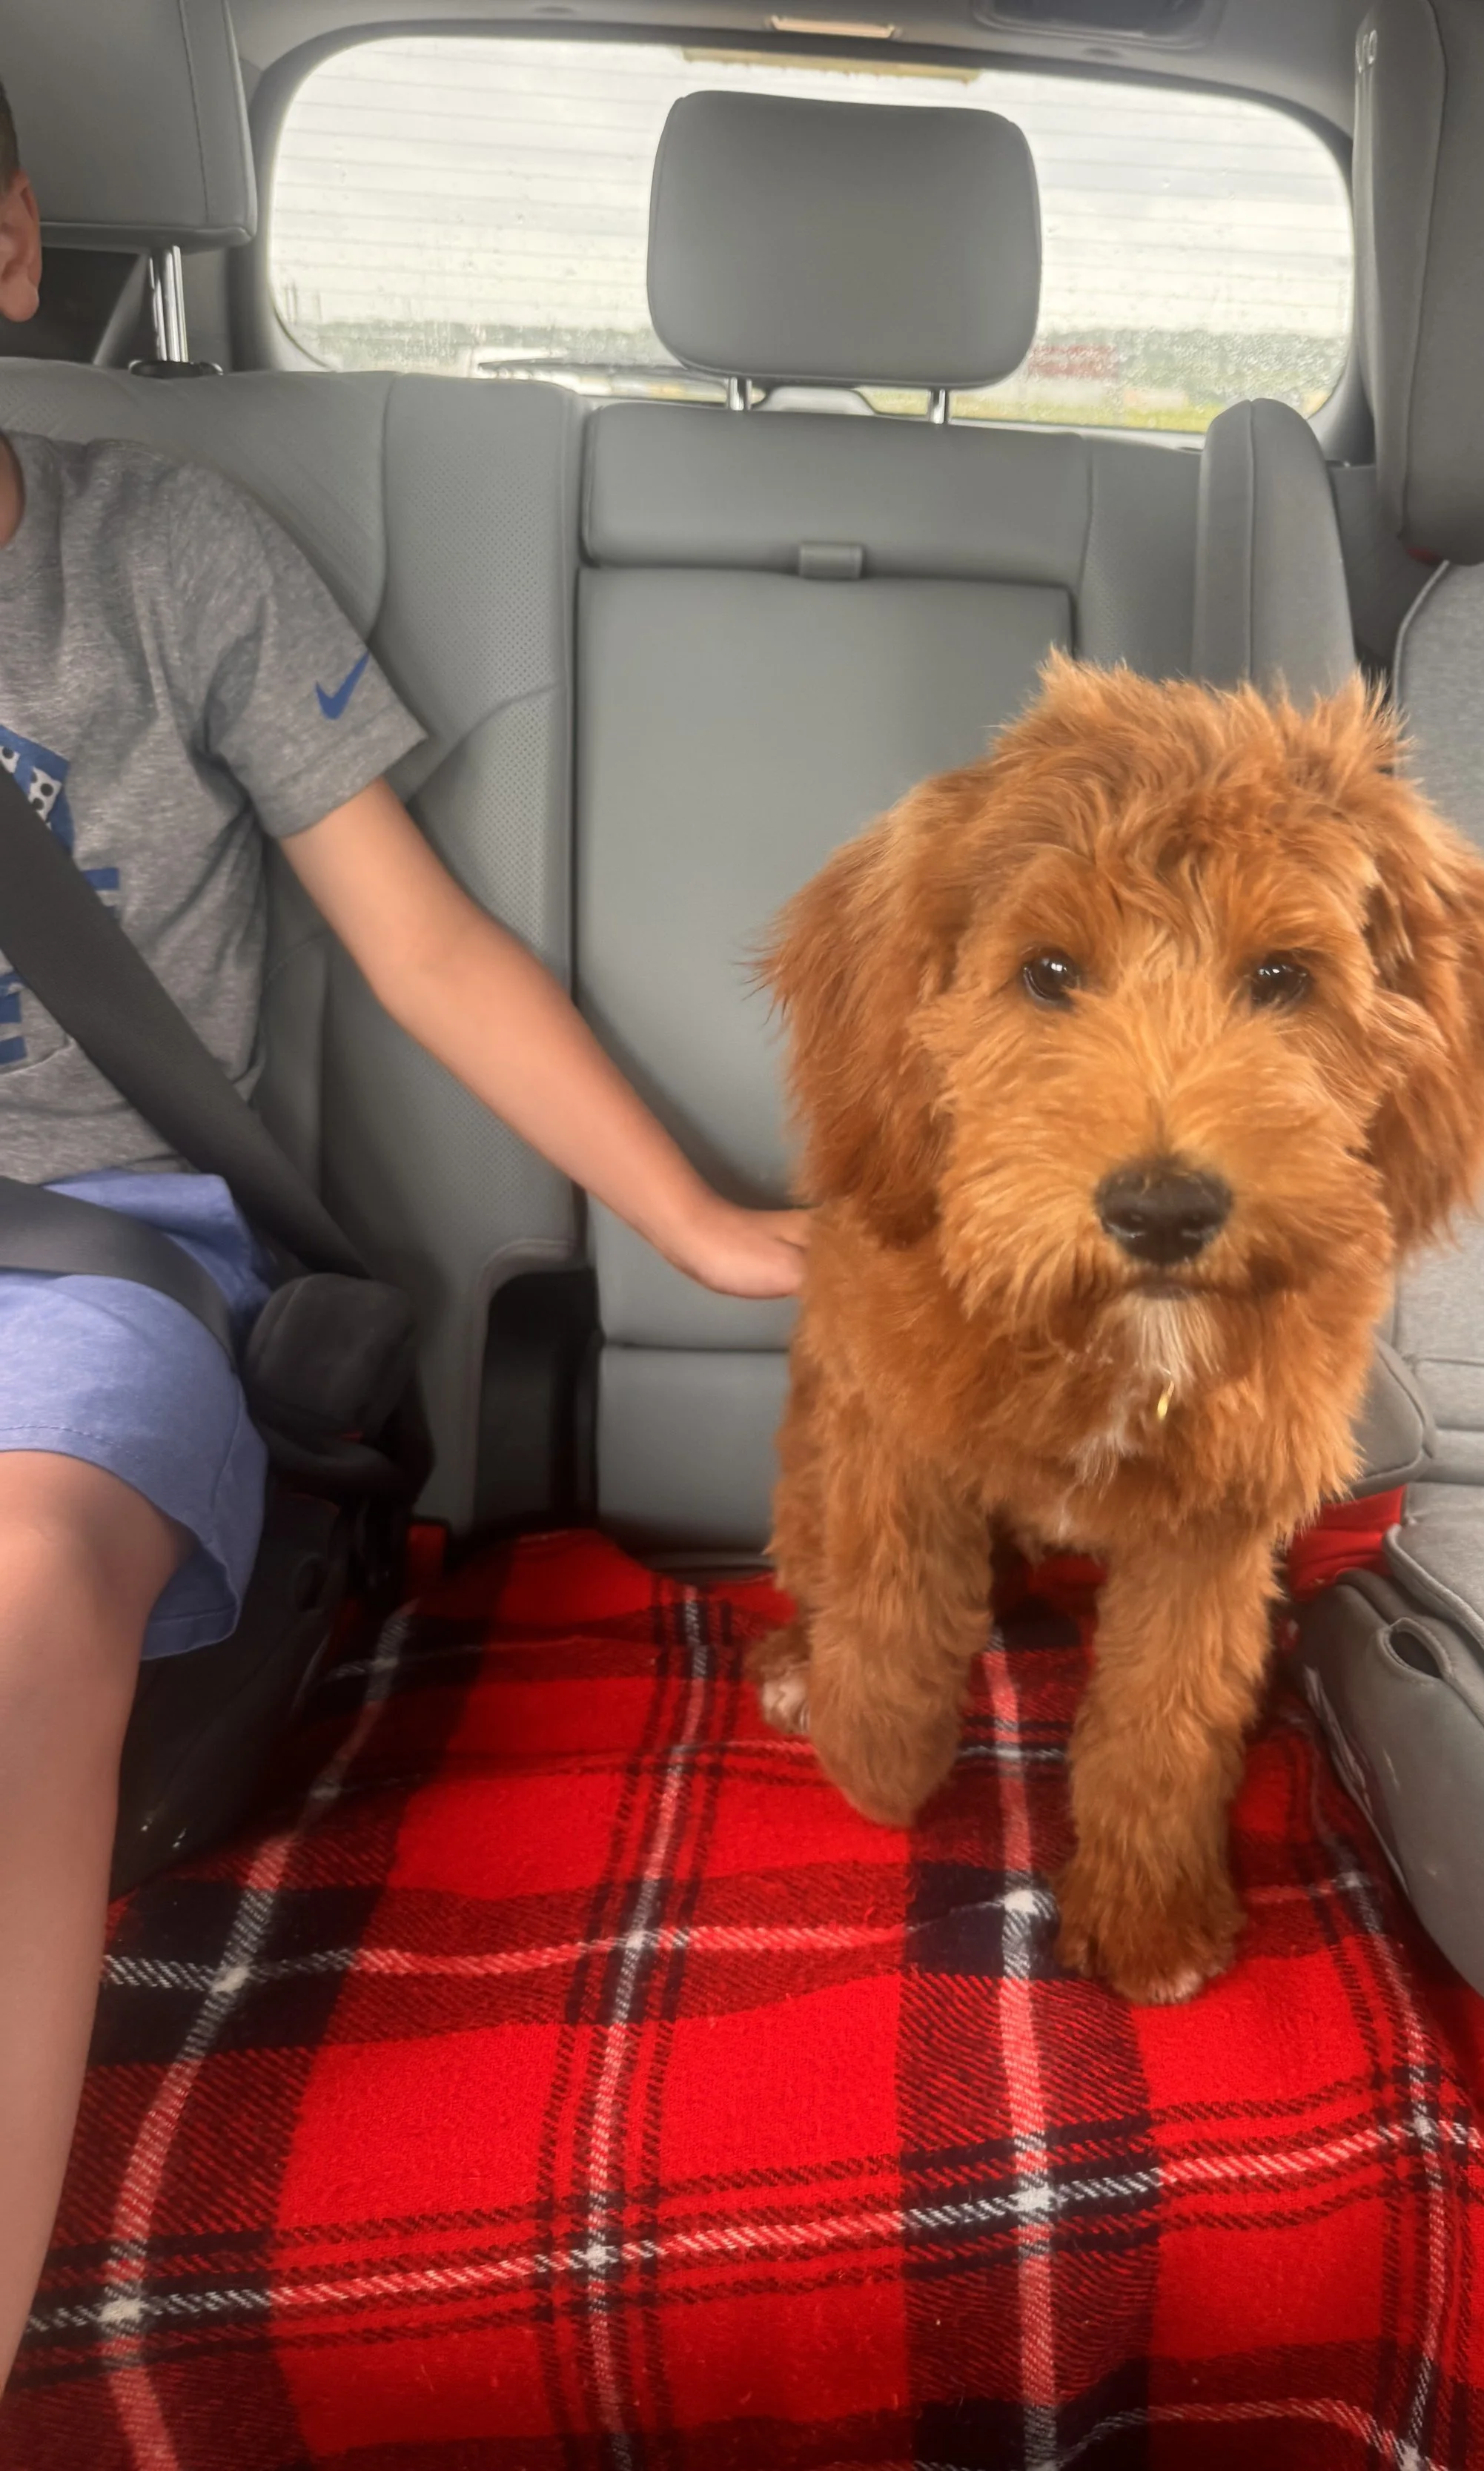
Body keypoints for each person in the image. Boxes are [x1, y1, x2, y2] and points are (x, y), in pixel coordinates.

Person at [0, 96, 807, 2390]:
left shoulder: (169, 556)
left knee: (28, 1570)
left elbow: (430, 955)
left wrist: (711, 1229)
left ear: (12, 244)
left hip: (96, 1257)